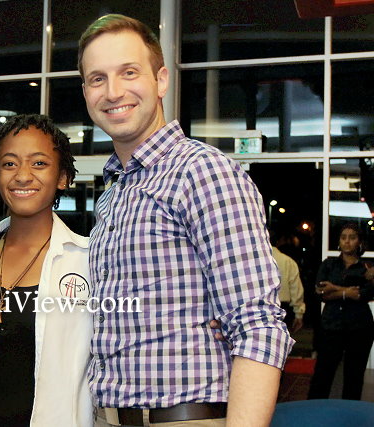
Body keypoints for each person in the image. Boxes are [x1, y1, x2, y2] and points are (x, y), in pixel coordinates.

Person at [78, 14, 294, 426]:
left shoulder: (202, 171)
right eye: (97, 79)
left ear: (161, 80)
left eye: (129, 72)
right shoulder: (114, 192)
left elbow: (258, 325)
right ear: (86, 92)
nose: (114, 91)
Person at [0, 114, 93, 426]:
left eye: (39, 163)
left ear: (63, 177)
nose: (22, 175)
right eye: (9, 164)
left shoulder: (87, 261)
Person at [308, 223, 374, 400]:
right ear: (339, 241)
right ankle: (314, 409)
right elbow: (322, 292)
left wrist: (335, 288)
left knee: (354, 375)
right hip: (331, 325)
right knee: (323, 372)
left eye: (352, 237)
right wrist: (346, 292)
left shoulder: (367, 268)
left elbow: (363, 294)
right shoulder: (329, 264)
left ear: (359, 242)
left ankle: (350, 412)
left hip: (360, 326)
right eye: (343, 237)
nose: (347, 241)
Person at [272, 244, 305, 334]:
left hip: (255, 308)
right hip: (282, 308)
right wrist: (299, 313)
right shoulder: (287, 261)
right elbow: (295, 289)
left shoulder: (252, 261)